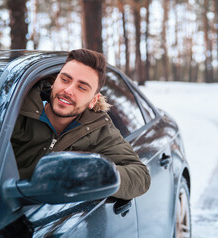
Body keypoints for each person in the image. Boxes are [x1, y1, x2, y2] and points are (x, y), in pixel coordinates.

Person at [11, 48, 150, 200]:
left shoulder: (99, 130)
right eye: (65, 80)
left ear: (93, 100)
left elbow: (140, 176)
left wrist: (91, 174)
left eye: (82, 87)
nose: (68, 90)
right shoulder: (15, 110)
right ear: (54, 82)